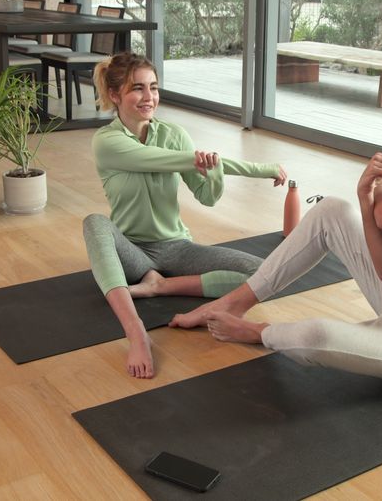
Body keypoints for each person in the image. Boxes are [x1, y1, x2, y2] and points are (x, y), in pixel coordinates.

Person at [170, 65, 382, 388]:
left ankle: (255, 332)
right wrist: (364, 196)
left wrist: (380, 187)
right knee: (331, 210)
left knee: (316, 336)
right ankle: (235, 303)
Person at [84, 52, 287, 379]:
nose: (149, 97)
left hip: (177, 247)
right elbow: (166, 161)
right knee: (94, 223)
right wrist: (262, 169)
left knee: (262, 273)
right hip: (131, 250)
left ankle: (160, 286)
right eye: (137, 88)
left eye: (153, 87)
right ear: (114, 95)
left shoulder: (175, 135)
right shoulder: (107, 142)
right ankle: (136, 332)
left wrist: (214, 169)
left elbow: (207, 197)